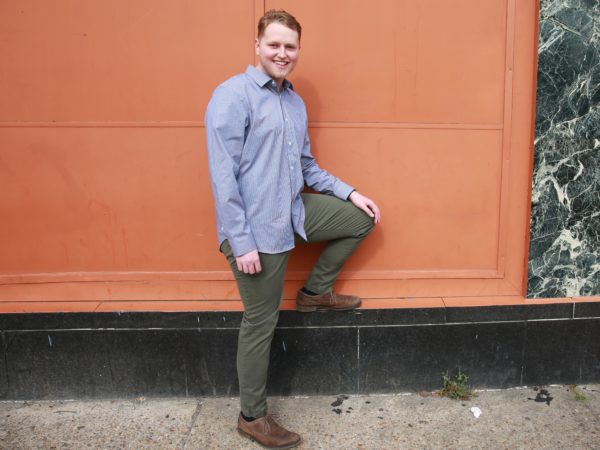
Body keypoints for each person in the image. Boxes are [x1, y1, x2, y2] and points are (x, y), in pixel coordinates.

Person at [205, 9, 381, 449]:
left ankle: (314, 293)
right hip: (256, 231)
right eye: (274, 45)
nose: (282, 54)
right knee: (260, 322)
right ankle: (252, 416)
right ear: (257, 46)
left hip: (293, 212)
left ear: (299, 51)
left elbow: (305, 166)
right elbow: (222, 177)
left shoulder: (293, 101)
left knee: (361, 220)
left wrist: (350, 192)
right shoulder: (233, 96)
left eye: (290, 47)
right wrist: (241, 242)